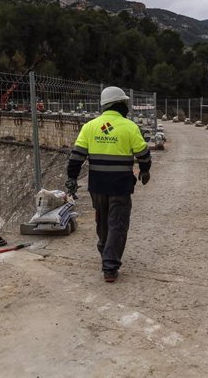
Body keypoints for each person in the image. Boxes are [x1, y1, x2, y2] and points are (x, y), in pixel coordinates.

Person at [66, 86, 151, 283]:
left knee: (102, 221)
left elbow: (76, 156)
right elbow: (143, 154)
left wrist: (72, 177)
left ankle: (105, 252)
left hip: (97, 185)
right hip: (120, 186)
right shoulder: (130, 127)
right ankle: (110, 266)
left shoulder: (90, 126)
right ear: (120, 104)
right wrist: (146, 169)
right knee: (118, 224)